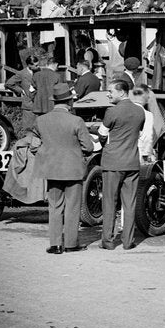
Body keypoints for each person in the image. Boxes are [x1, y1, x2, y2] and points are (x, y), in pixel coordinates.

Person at [34, 83, 93, 254]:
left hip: (52, 168)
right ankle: (70, 244)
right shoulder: (76, 121)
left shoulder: (41, 120)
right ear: (69, 102)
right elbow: (88, 147)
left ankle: (55, 244)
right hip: (73, 168)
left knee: (54, 206)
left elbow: (35, 142)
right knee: (73, 207)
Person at [98, 79, 144, 250]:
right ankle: (128, 241)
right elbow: (138, 132)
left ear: (122, 92)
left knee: (109, 202)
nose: (108, 94)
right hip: (132, 162)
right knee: (129, 203)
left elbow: (103, 134)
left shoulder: (111, 112)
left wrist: (106, 144)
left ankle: (108, 241)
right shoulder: (140, 112)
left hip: (112, 162)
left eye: (111, 91)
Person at [129, 86, 156, 162]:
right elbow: (147, 137)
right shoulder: (147, 115)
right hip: (138, 153)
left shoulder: (124, 110)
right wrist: (147, 154)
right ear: (145, 96)